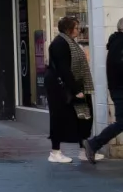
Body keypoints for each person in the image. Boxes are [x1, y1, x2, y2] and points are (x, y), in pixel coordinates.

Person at [46, 14, 93, 164]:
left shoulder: (71, 43)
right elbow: (64, 68)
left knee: (83, 116)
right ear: (68, 29)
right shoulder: (60, 43)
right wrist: (74, 89)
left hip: (73, 84)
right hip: (60, 86)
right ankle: (55, 152)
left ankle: (83, 150)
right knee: (59, 117)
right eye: (76, 28)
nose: (79, 30)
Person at [84, 17, 123, 163]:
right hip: (120, 89)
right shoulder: (120, 44)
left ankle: (94, 144)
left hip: (117, 88)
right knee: (122, 122)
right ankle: (94, 143)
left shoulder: (115, 42)